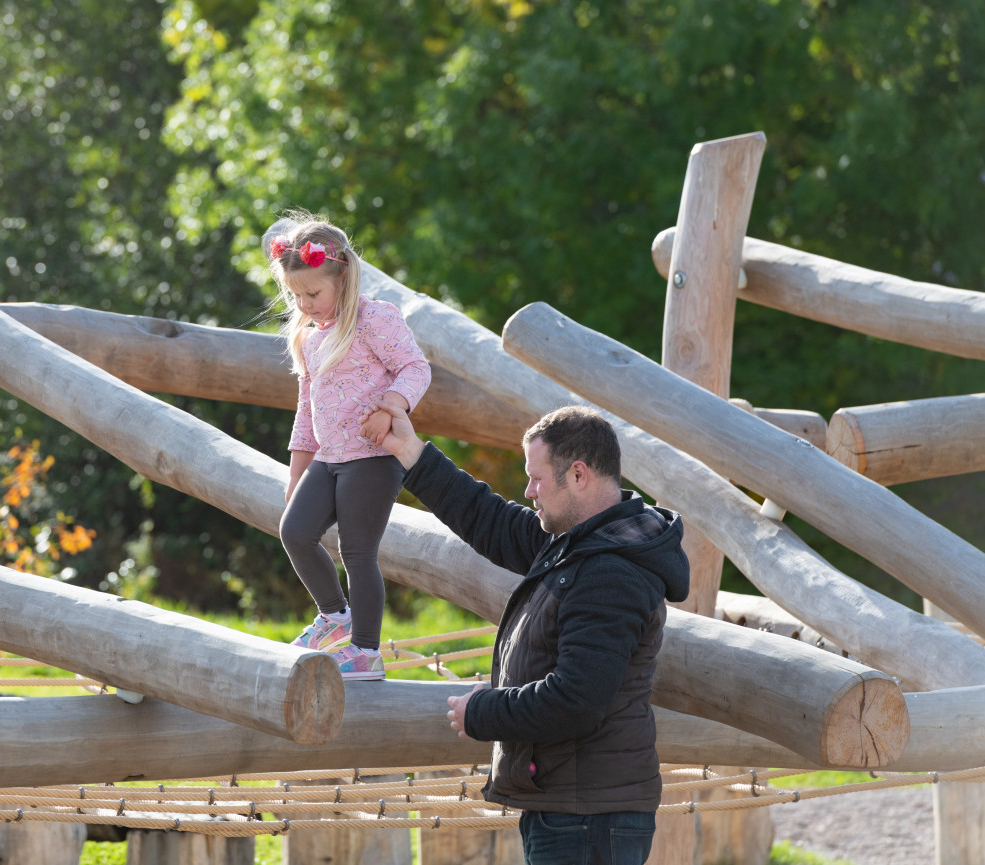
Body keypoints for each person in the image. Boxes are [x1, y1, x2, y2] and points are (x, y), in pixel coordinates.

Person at [366, 400, 690, 864]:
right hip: (573, 806)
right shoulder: (581, 544)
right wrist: (411, 452)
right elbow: (490, 520)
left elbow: (576, 700)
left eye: (538, 478)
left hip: (587, 815)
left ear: (578, 475)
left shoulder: (609, 572)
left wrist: (482, 711)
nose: (529, 490)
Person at [265, 213, 431, 681]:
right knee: (294, 532)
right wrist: (297, 471)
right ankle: (335, 616)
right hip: (329, 458)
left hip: (373, 459)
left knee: (358, 553)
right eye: (295, 295)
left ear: (343, 277)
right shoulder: (309, 335)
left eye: (313, 294)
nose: (304, 303)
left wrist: (391, 407)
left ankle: (366, 652)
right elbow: (306, 408)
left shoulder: (375, 319)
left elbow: (415, 369)